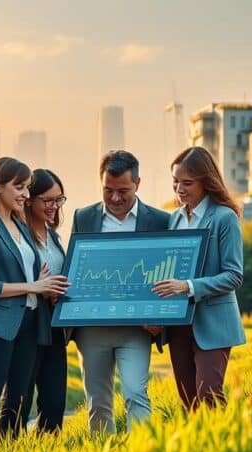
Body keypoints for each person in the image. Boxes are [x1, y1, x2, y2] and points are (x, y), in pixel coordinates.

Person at [0, 157, 69, 443]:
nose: (25, 195)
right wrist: (33, 285)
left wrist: (40, 280)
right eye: (19, 187)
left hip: (28, 322)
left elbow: (24, 270)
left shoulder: (19, 226)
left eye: (27, 188)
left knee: (18, 398)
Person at [70, 150, 170, 433]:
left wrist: (159, 320)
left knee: (136, 395)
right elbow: (76, 268)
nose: (115, 198)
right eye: (108, 190)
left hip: (136, 329)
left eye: (123, 190)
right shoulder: (84, 217)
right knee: (98, 404)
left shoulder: (160, 221)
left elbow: (170, 272)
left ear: (138, 183)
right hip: (92, 330)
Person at [152, 146, 246, 410]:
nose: (179, 189)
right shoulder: (175, 220)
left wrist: (188, 286)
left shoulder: (224, 218)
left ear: (206, 181)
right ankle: (200, 450)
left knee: (209, 397)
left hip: (213, 323)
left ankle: (228, 447)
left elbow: (234, 275)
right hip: (178, 324)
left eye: (187, 183)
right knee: (189, 401)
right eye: (175, 182)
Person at [23, 168, 69, 432]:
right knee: (20, 398)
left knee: (54, 401)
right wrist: (41, 288)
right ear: (29, 199)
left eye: (59, 200)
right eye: (48, 200)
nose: (54, 206)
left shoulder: (53, 237)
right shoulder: (18, 236)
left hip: (53, 328)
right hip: (27, 326)